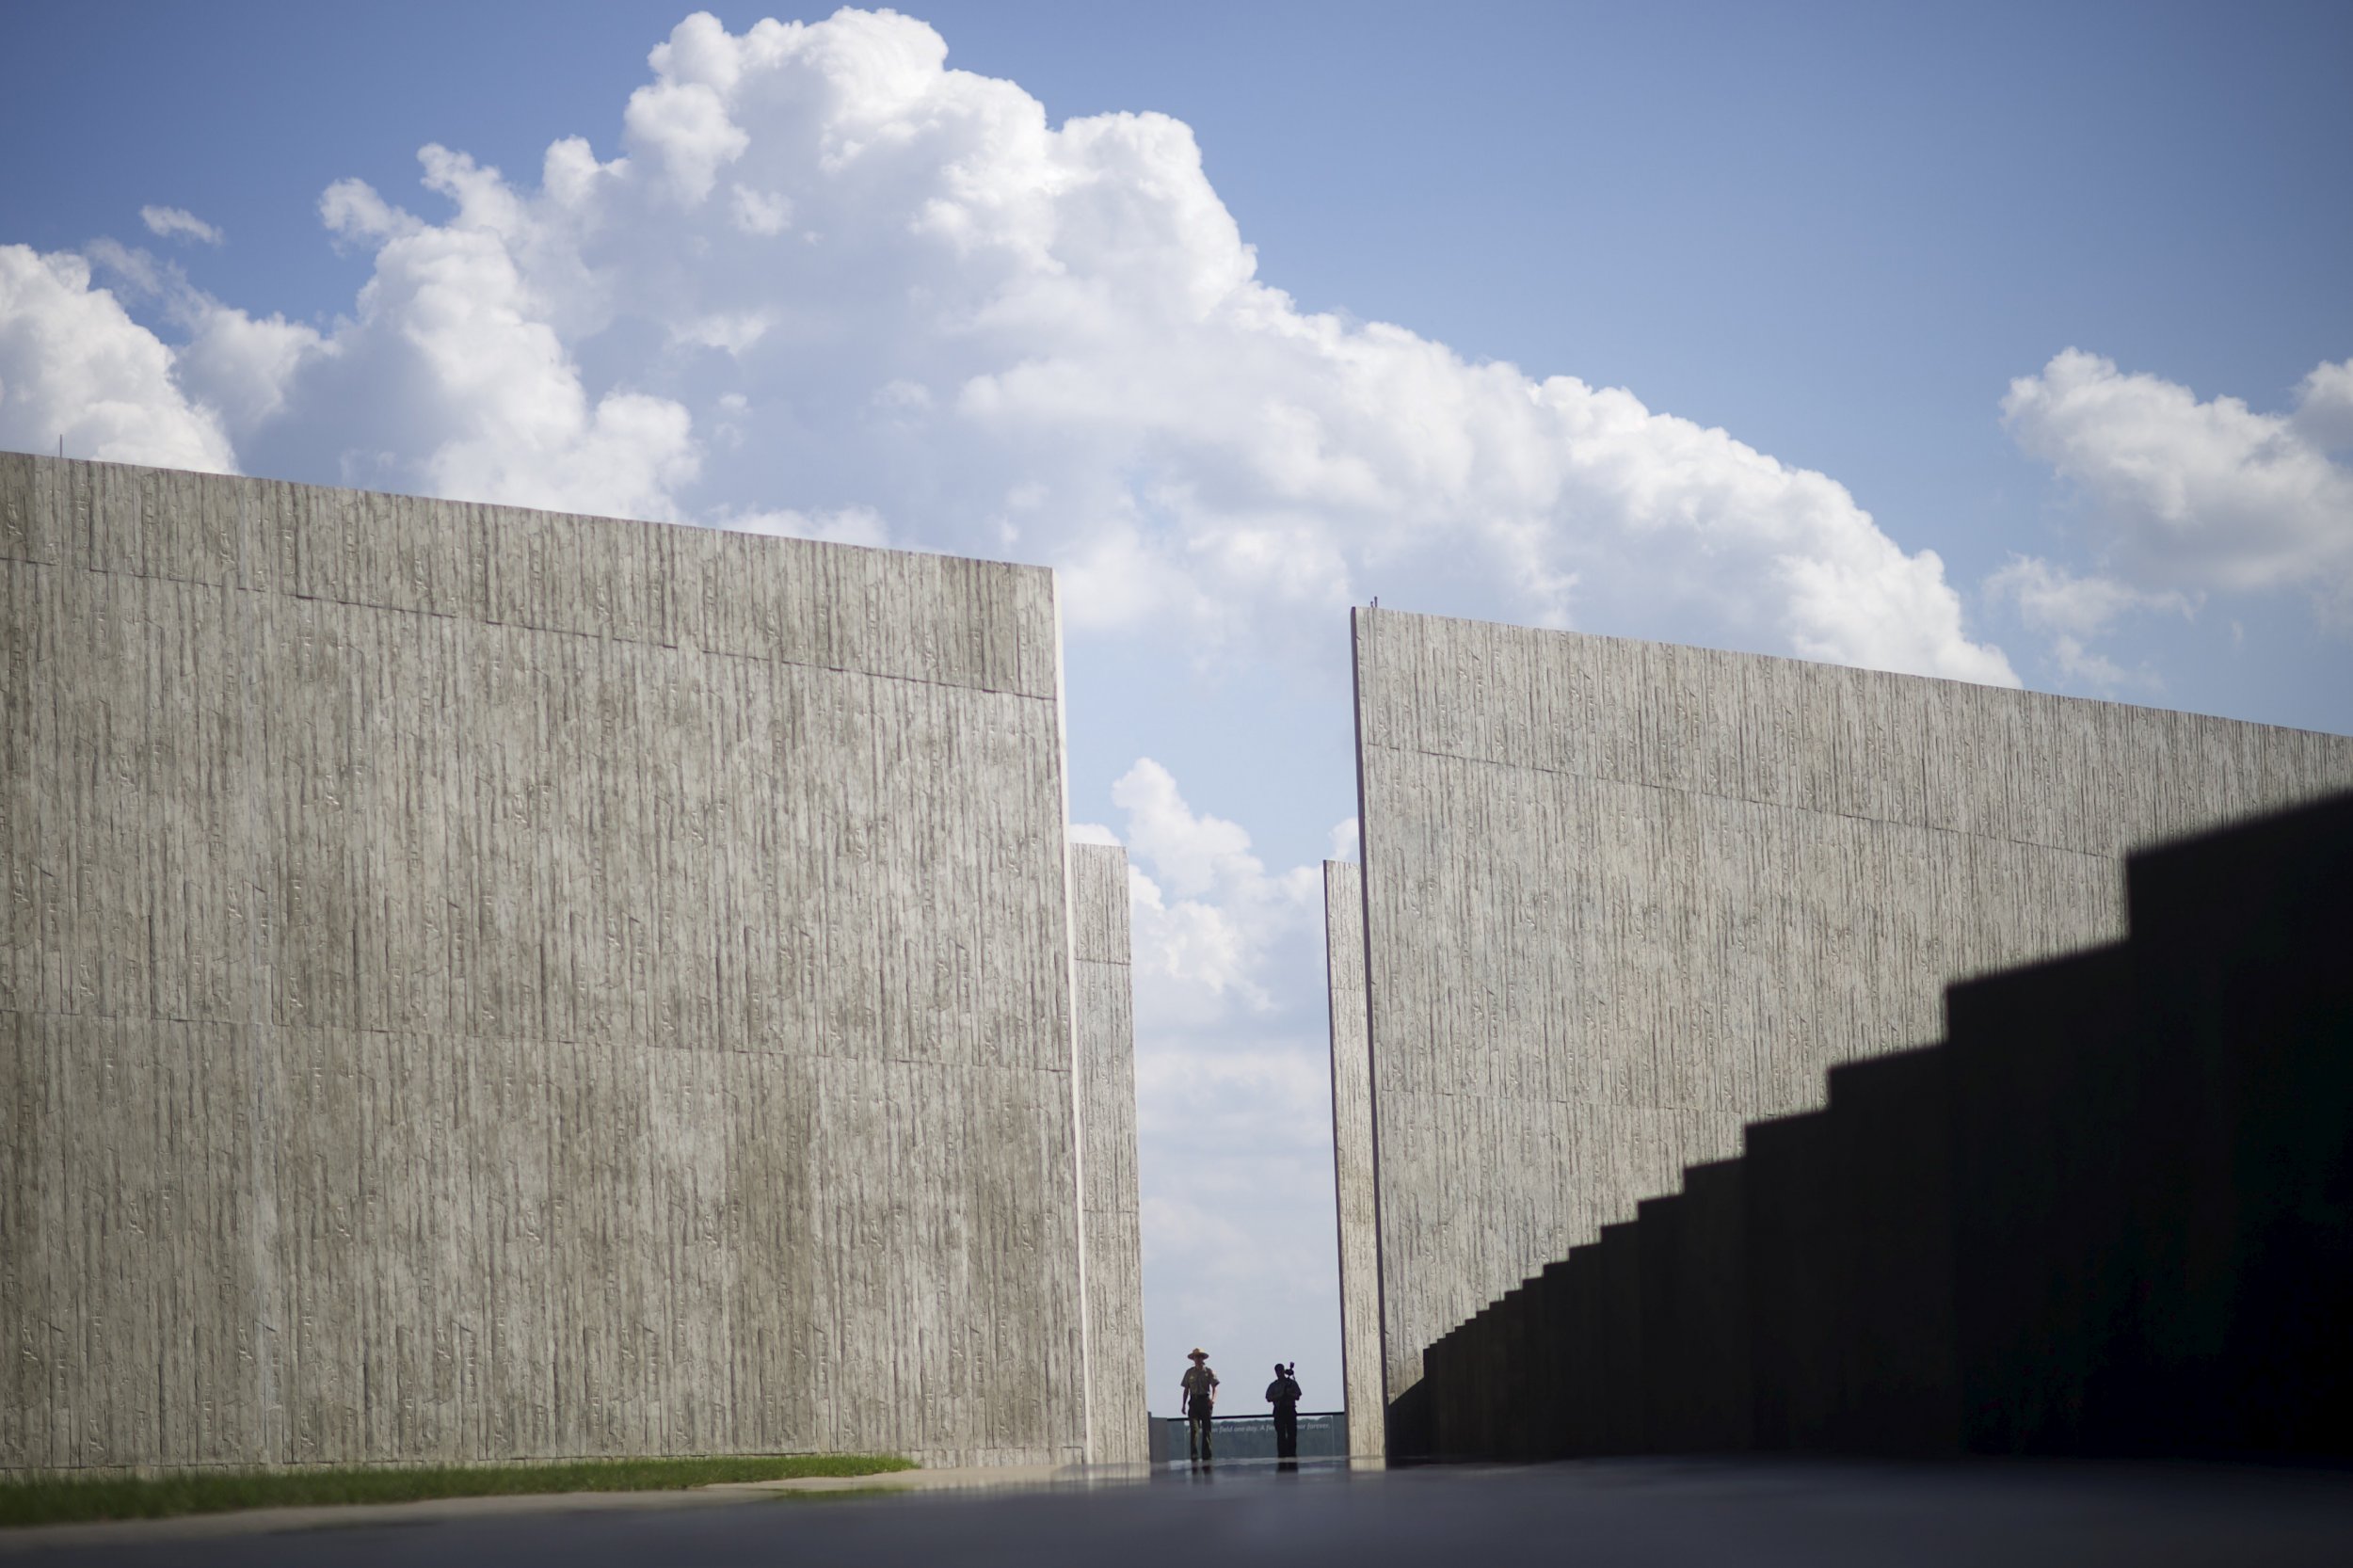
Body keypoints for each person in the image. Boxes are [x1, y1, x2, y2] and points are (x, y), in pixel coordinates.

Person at [1179, 1348, 1220, 1462]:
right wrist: (1183, 1405)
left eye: (1199, 1357)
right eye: (1195, 1357)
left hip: (1205, 1401)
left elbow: (1215, 1388)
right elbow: (1186, 1389)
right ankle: (1194, 1454)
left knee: (1206, 1429)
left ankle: (1207, 1455)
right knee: (1194, 1429)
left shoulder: (1209, 1372)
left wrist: (1213, 1400)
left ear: (1203, 1358)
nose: (1197, 1359)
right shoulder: (1189, 1372)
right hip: (1193, 1402)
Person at [1266, 1362, 1304, 1459]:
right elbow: (1268, 1397)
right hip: (1279, 1411)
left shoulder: (1291, 1383)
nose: (1280, 1373)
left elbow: (1298, 1395)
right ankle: (1282, 1454)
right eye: (1278, 1371)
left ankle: (1292, 1454)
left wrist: (1289, 1395)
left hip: (1290, 1410)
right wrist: (1279, 1396)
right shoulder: (1274, 1385)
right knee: (1281, 1435)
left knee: (1292, 1434)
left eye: (1281, 1371)